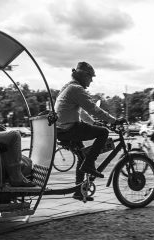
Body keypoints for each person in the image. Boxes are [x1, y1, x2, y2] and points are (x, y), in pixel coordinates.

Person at [54, 61, 124, 201]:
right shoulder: (76, 89)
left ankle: (79, 191)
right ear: (84, 75)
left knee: (82, 155)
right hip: (69, 128)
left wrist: (93, 123)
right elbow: (93, 109)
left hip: (62, 129)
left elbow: (81, 112)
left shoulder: (69, 87)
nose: (91, 81)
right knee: (103, 133)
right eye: (90, 77)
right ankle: (89, 164)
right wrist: (114, 121)